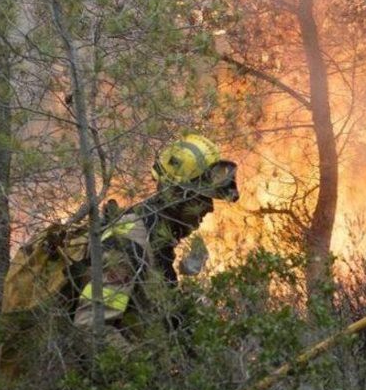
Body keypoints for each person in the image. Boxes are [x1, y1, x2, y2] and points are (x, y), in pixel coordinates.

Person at [70, 133, 239, 350]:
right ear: (177, 196)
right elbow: (91, 326)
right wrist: (140, 366)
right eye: (202, 198)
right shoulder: (129, 244)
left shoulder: (157, 237)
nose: (209, 208)